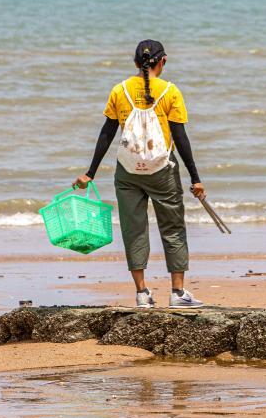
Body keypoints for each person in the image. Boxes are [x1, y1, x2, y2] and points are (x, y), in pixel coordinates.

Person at [73, 40, 205, 308]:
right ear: (163, 61)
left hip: (127, 172)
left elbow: (107, 132)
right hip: (162, 171)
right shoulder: (170, 91)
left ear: (135, 62)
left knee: (134, 230)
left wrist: (90, 173)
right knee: (173, 227)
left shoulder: (119, 90)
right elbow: (180, 137)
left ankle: (142, 293)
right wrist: (195, 178)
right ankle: (178, 294)